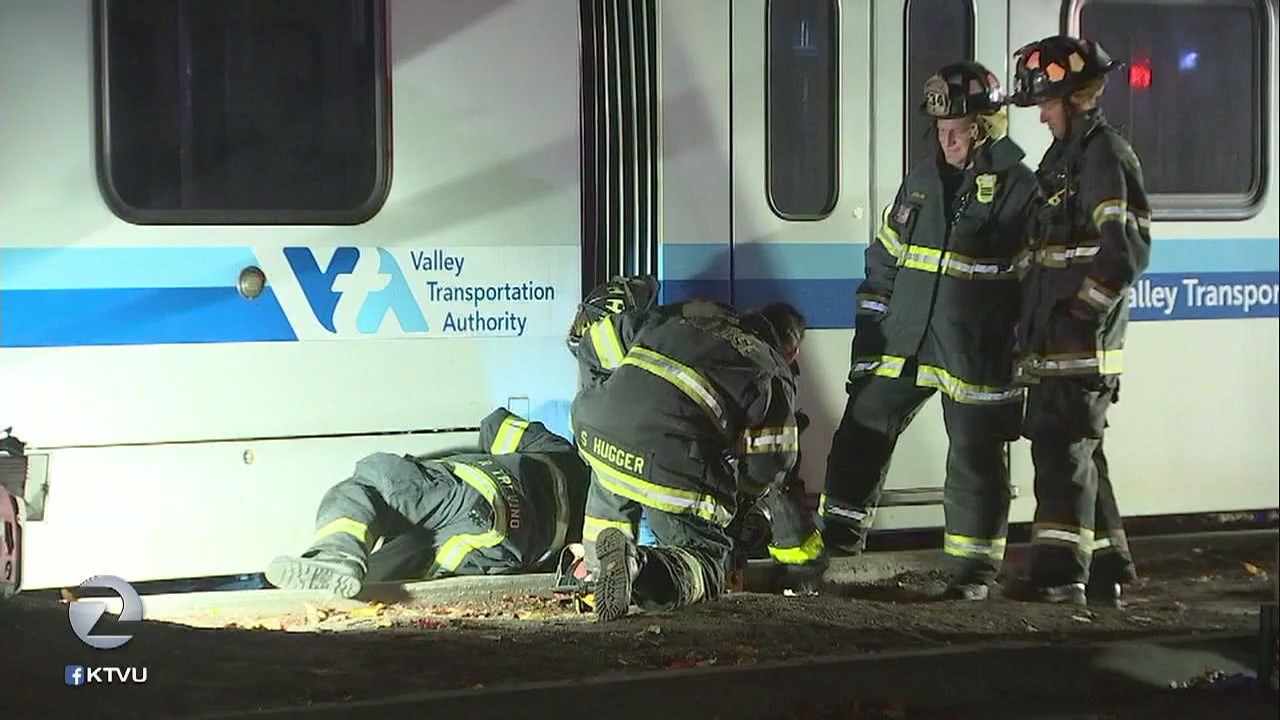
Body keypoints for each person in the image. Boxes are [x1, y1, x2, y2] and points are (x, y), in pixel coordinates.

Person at [820, 61, 1039, 600]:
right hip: (906, 341)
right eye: (940, 131)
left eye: (957, 131)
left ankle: (972, 573)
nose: (947, 141)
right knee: (863, 428)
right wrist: (870, 336)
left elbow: (1035, 280)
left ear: (985, 128)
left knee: (975, 457)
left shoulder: (1019, 188)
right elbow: (884, 260)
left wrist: (1019, 347)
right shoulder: (921, 181)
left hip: (976, 351)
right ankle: (836, 547)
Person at [1005, 35, 1151, 608]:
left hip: (1080, 343)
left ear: (1074, 98)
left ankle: (1059, 577)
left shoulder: (1105, 156)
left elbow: (1125, 251)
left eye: (1046, 103)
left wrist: (1079, 313)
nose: (1041, 116)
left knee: (1061, 456)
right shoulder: (1064, 158)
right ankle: (1107, 569)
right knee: (1079, 454)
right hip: (1054, 340)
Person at [568, 293, 810, 621]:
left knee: (613, 476)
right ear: (791, 351)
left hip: (595, 428)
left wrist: (601, 398)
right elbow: (772, 463)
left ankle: (596, 576)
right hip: (670, 461)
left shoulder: (685, 319)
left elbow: (593, 342)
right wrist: (738, 496)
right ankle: (637, 569)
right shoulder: (771, 368)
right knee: (707, 562)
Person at [264, 407, 591, 598]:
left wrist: (485, 456)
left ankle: (334, 554)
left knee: (373, 482)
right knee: (381, 582)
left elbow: (496, 423)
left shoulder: (561, 452)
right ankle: (333, 577)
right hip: (503, 542)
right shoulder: (598, 512)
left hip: (469, 489)